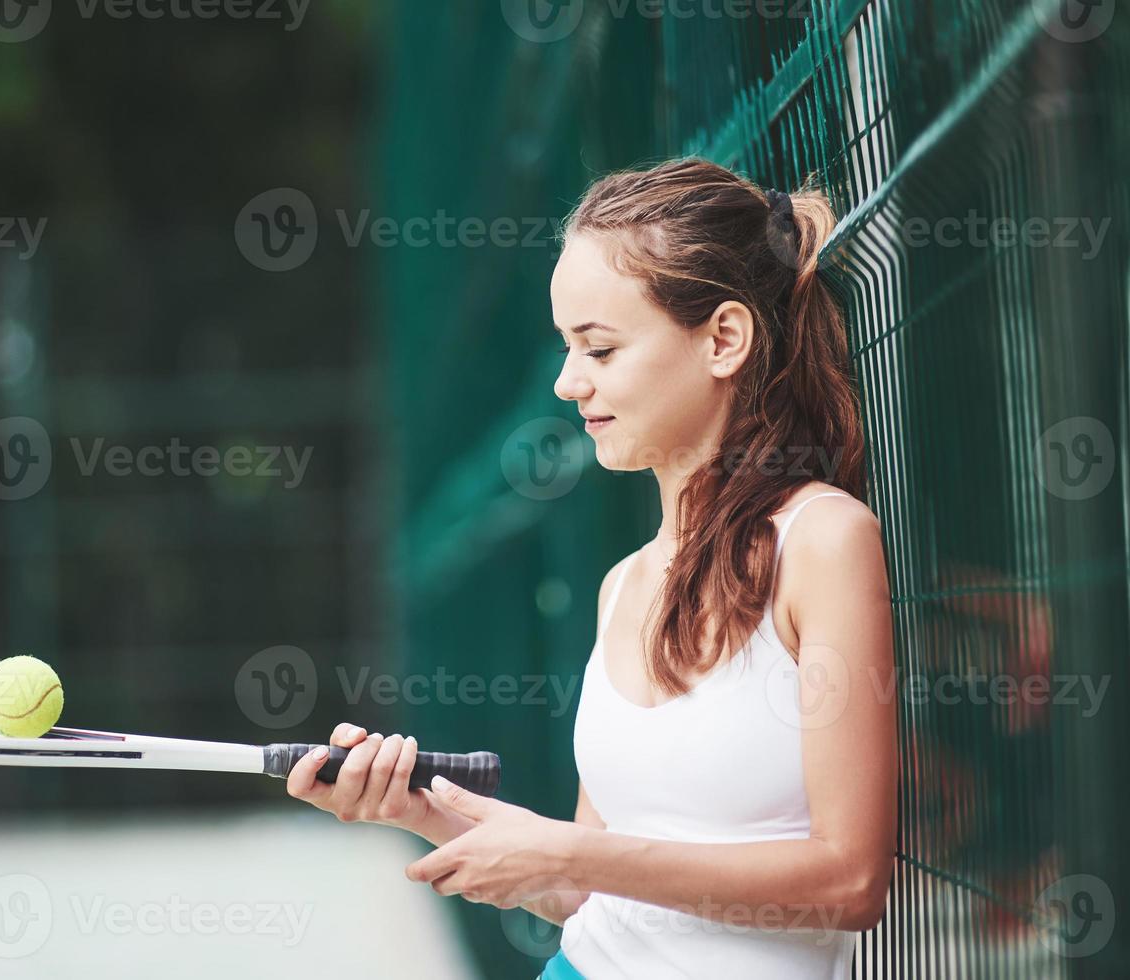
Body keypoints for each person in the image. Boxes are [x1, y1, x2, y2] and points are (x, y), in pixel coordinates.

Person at [286, 157, 897, 979]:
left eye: (599, 349)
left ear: (723, 340)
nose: (569, 382)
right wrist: (417, 809)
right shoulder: (624, 585)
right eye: (569, 347)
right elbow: (587, 894)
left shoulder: (824, 541)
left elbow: (851, 881)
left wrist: (571, 855)